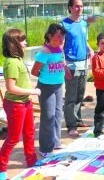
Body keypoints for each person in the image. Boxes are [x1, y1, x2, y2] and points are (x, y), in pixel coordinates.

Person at [0, 29, 43, 179]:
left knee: (29, 131)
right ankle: (1, 169)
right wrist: (33, 91)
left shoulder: (18, 60)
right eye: (22, 40)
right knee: (13, 137)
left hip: (25, 102)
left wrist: (29, 94)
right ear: (14, 43)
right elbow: (11, 88)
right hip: (15, 105)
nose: (26, 42)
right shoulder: (11, 62)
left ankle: (31, 160)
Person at [31, 24, 70, 158]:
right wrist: (47, 77)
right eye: (59, 36)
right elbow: (34, 71)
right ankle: (45, 147)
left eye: (63, 36)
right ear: (50, 36)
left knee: (58, 114)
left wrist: (66, 72)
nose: (61, 38)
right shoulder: (44, 52)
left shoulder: (60, 48)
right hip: (46, 87)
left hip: (59, 86)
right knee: (48, 117)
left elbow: (63, 63)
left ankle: (55, 141)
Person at [61, 0, 94, 138]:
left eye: (81, 6)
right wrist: (64, 64)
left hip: (83, 65)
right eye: (76, 6)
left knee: (80, 94)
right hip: (71, 65)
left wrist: (90, 49)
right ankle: (71, 126)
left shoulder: (84, 24)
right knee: (71, 97)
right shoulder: (64, 24)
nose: (79, 8)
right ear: (70, 8)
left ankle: (78, 119)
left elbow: (84, 41)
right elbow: (60, 46)